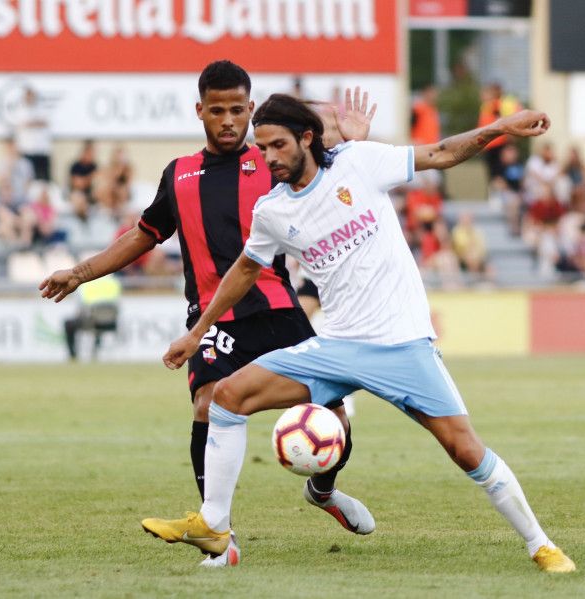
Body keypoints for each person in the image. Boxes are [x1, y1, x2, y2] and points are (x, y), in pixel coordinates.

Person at [157, 94, 575, 572]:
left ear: (306, 139)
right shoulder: (272, 210)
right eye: (262, 147)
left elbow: (440, 153)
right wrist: (197, 333)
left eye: (277, 145)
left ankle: (540, 544)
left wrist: (501, 126)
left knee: (465, 450)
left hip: (401, 345)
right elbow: (245, 271)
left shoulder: (360, 160)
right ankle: (215, 525)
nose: (267, 157)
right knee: (226, 397)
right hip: (334, 346)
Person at [39, 61, 378, 567]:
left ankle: (323, 491)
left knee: (335, 425)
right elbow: (142, 235)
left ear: (250, 108)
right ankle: (219, 536)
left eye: (237, 110)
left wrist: (354, 145)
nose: (228, 120)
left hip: (277, 311)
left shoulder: (273, 163)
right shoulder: (179, 175)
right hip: (212, 319)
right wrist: (82, 271)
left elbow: (343, 185)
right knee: (207, 404)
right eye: (216, 110)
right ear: (200, 110)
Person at [11, 87, 52, 181]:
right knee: (28, 178)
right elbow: (22, 124)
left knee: (45, 179)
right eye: (28, 96)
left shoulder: (42, 108)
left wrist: (31, 124)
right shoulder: (20, 110)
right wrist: (36, 123)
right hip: (26, 150)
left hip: (42, 150)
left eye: (32, 96)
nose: (30, 99)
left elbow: (46, 123)